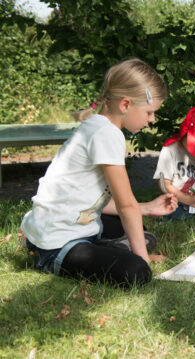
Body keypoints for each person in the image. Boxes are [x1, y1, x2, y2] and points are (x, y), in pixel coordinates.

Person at [20, 57, 178, 286]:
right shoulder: (107, 134)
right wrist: (143, 261)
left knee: (136, 230)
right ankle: (107, 253)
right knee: (136, 272)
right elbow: (126, 205)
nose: (151, 119)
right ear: (125, 105)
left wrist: (148, 208)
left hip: (54, 227)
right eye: (149, 112)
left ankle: (115, 247)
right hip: (56, 244)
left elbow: (92, 198)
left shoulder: (98, 126)